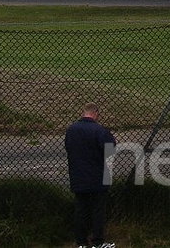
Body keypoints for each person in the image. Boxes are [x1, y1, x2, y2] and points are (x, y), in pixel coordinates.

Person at [64, 102, 117, 248]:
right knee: (98, 210)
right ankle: (98, 242)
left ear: (83, 113)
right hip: (97, 176)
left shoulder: (71, 130)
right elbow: (110, 149)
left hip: (78, 176)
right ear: (96, 114)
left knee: (81, 209)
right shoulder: (99, 130)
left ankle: (81, 242)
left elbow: (68, 147)